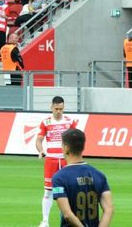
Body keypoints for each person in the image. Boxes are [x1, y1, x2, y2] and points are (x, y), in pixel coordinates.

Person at [51, 128, 113, 227]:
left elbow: (67, 214)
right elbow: (109, 209)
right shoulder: (99, 175)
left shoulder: (59, 177)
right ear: (83, 147)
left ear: (66, 148)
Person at [35, 96, 80, 227]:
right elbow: (39, 140)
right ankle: (45, 221)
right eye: (56, 109)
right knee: (48, 191)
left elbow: (75, 138)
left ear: (64, 108)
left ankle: (69, 219)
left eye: (61, 109)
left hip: (66, 161)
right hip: (51, 160)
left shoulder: (70, 122)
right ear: (51, 108)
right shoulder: (46, 122)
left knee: (70, 191)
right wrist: (41, 150)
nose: (59, 111)